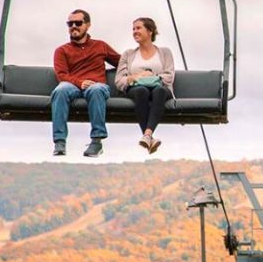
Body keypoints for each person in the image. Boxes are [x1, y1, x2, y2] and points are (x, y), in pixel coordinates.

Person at [51, 9, 120, 157]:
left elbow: (121, 62)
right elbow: (62, 74)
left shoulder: (100, 46)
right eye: (70, 24)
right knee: (60, 91)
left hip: (96, 85)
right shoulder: (62, 50)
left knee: (96, 90)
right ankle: (59, 141)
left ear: (87, 25)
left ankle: (96, 141)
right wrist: (80, 82)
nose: (74, 26)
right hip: (72, 85)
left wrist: (144, 67)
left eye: (78, 23)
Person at [115, 17, 174, 154]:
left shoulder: (165, 52)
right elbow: (119, 81)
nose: (135, 31)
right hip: (136, 88)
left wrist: (152, 77)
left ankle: (147, 136)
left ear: (150, 31)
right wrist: (135, 77)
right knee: (141, 91)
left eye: (138, 28)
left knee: (159, 91)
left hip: (160, 87)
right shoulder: (128, 54)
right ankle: (149, 135)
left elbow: (169, 76)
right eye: (133, 29)